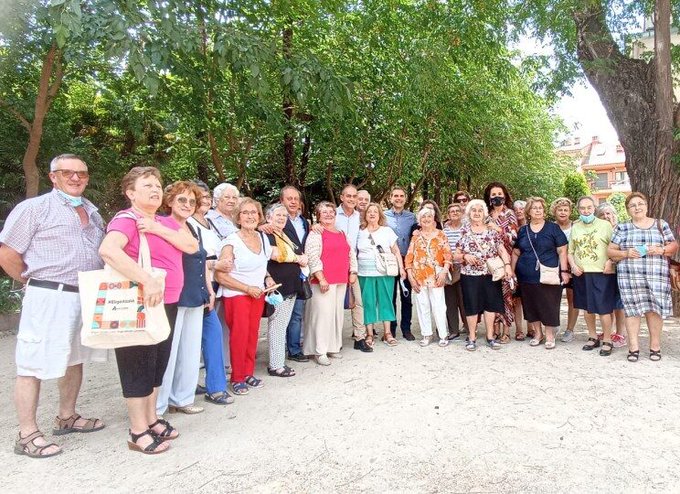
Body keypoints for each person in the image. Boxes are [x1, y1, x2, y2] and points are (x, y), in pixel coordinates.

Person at [0, 154, 106, 458]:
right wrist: (32, 282)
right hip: (48, 295)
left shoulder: (92, 212)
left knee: (75, 359)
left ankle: (67, 416)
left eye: (82, 174)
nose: (76, 178)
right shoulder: (34, 208)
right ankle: (27, 433)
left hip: (83, 295)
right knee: (32, 363)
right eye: (68, 173)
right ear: (53, 177)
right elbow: (7, 253)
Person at [99, 166, 199, 454]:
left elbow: (191, 245)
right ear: (131, 193)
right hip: (139, 302)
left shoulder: (162, 222)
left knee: (157, 363)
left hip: (167, 301)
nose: (155, 190)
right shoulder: (127, 219)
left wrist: (156, 228)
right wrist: (147, 280)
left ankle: (152, 417)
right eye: (147, 186)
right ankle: (137, 429)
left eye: (157, 185)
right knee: (137, 364)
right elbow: (108, 250)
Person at [156, 181, 213, 416]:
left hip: (194, 293)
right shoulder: (160, 224)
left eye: (192, 201)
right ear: (169, 201)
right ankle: (158, 404)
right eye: (182, 200)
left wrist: (208, 290)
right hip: (172, 296)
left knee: (190, 351)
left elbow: (204, 262)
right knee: (168, 352)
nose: (187, 205)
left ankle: (183, 397)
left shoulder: (194, 228)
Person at [214, 198, 277, 395]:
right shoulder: (231, 242)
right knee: (239, 336)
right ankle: (237, 377)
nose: (250, 216)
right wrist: (246, 288)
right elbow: (220, 275)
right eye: (245, 213)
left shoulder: (262, 238)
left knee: (252, 334)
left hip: (257, 293)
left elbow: (262, 265)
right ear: (238, 217)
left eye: (254, 213)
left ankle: (248, 373)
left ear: (259, 217)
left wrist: (267, 279)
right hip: (237, 294)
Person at [607, 192, 678, 362]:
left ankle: (655, 346)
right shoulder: (622, 227)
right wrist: (626, 253)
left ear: (646, 206)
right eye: (633, 205)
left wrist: (660, 250)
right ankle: (633, 347)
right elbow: (610, 251)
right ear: (628, 209)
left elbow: (674, 245)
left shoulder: (661, 224)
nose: (637, 207)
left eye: (640, 204)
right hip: (630, 277)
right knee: (632, 311)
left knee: (654, 310)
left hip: (656, 276)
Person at [187, 183, 233, 405]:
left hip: (212, 284)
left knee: (210, 335)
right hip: (194, 286)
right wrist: (216, 264)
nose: (204, 200)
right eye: (199, 196)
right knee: (194, 338)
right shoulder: (186, 223)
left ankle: (214, 385)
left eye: (206, 196)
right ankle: (191, 386)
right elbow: (193, 258)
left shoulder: (210, 222)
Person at [454, 199, 513, 351]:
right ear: (469, 213)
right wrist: (465, 257)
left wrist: (507, 266)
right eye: (474, 210)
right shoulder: (463, 231)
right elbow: (455, 254)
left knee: (490, 305)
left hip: (490, 274)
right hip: (469, 274)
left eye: (480, 210)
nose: (477, 213)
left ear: (484, 213)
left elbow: (501, 250)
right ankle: (472, 338)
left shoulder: (492, 230)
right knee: (471, 305)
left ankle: (490, 337)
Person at [260, 186, 310, 363]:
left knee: (288, 320)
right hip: (278, 285)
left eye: (283, 216)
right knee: (278, 325)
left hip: (292, 283)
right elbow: (276, 254)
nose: (281, 218)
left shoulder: (299, 225)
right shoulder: (266, 232)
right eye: (278, 216)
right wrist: (299, 258)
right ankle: (276, 364)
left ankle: (285, 357)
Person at [304, 202, 358, 365]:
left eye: (331, 212)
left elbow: (350, 253)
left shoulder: (341, 232)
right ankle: (319, 351)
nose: (328, 215)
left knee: (336, 315)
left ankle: (333, 347)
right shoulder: (315, 233)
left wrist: (353, 271)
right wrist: (321, 278)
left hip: (341, 279)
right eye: (324, 212)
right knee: (322, 316)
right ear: (318, 216)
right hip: (323, 281)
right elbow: (312, 257)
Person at [512, 197, 570, 349]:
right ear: (529, 212)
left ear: (544, 211)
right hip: (526, 274)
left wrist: (564, 271)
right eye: (534, 208)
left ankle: (550, 335)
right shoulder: (523, 230)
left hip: (549, 274)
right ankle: (538, 333)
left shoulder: (553, 228)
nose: (538, 210)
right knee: (531, 305)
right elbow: (516, 252)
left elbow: (562, 250)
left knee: (549, 305)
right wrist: (511, 271)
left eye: (540, 208)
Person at [568, 196, 617, 357]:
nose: (586, 211)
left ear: (594, 208)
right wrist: (573, 266)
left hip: (602, 273)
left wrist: (610, 262)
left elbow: (615, 248)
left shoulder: (605, 225)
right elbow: (570, 251)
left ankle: (608, 339)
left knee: (603, 309)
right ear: (578, 210)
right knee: (587, 308)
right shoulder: (575, 226)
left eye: (589, 208)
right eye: (582, 208)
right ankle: (593, 336)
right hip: (581, 273)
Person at [357, 203, 405, 347]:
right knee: (368, 303)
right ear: (365, 215)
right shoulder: (359, 232)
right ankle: (370, 334)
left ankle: (387, 333)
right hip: (364, 273)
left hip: (384, 272)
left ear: (380, 215)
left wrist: (401, 268)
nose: (372, 214)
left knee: (386, 301)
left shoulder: (387, 231)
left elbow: (396, 251)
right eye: (369, 212)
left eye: (375, 212)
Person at [405, 207, 453, 347]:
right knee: (422, 305)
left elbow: (448, 256)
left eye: (429, 216)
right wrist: (411, 277)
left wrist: (444, 272)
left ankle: (443, 335)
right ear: (419, 221)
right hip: (419, 276)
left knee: (439, 306)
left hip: (436, 276)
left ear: (434, 219)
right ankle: (427, 334)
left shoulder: (441, 235)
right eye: (423, 217)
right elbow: (409, 258)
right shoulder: (415, 237)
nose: (426, 219)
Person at [333, 184, 372, 352]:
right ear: (342, 197)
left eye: (354, 196)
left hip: (353, 265)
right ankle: (334, 340)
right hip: (334, 265)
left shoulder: (360, 217)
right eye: (348, 196)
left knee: (357, 302)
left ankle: (359, 337)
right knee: (334, 304)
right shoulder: (332, 214)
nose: (351, 199)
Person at [484, 182, 518, 343]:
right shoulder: (486, 215)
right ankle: (495, 329)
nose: (496, 197)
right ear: (489, 198)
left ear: (504, 195)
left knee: (506, 295)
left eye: (499, 194)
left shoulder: (510, 214)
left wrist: (497, 229)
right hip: (489, 261)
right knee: (492, 294)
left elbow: (513, 237)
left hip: (506, 260)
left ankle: (506, 330)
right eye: (493, 195)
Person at [385, 186, 417, 341]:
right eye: (395, 196)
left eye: (401, 196)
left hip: (406, 260)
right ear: (391, 198)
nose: (398, 198)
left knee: (406, 297)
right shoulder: (383, 216)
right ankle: (390, 330)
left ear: (405, 198)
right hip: (389, 261)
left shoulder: (412, 217)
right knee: (390, 297)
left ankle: (406, 328)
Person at [595, 203, 626, 347]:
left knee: (619, 304)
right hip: (603, 271)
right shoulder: (598, 230)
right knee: (607, 302)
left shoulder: (622, 230)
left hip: (620, 270)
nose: (607, 216)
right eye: (603, 214)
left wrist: (611, 261)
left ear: (614, 214)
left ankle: (620, 333)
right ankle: (609, 331)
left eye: (609, 213)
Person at [551, 197, 580, 343]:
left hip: (573, 267)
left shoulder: (577, 225)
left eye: (566, 210)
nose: (563, 212)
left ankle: (570, 329)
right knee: (553, 298)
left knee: (572, 299)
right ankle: (554, 325)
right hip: (555, 267)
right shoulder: (550, 227)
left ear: (570, 212)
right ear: (554, 211)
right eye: (560, 210)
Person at [443, 202, 468, 339]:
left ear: (462, 213)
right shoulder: (444, 232)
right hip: (449, 269)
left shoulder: (467, 229)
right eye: (452, 211)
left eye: (457, 211)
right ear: (448, 215)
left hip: (464, 269)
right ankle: (453, 330)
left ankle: (469, 328)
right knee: (450, 301)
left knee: (465, 301)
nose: (454, 213)